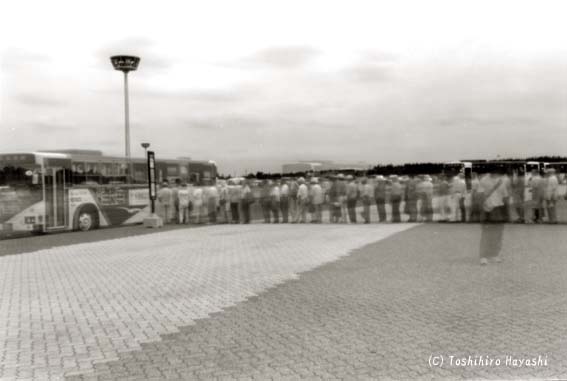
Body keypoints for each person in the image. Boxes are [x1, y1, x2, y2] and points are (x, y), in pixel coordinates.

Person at [478, 171, 507, 265]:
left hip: (498, 208)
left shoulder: (502, 181)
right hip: (487, 209)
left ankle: (495, 254)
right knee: (486, 233)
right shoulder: (483, 180)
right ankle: (483, 256)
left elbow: (505, 196)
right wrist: (484, 205)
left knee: (498, 233)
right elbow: (480, 195)